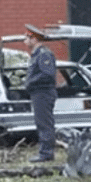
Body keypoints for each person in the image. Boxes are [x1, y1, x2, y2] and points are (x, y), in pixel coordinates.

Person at [24, 24, 57, 163]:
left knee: (44, 124)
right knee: (41, 123)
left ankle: (46, 153)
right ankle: (45, 151)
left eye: (27, 38)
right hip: (38, 93)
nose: (24, 41)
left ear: (34, 39)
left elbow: (47, 74)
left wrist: (30, 82)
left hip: (43, 92)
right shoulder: (36, 55)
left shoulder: (44, 54)